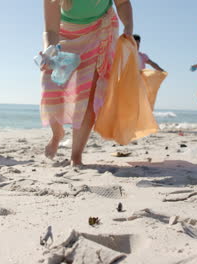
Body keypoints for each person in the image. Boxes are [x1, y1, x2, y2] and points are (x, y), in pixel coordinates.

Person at [40, 0, 133, 166]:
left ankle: (76, 156)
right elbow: (51, 29)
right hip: (64, 34)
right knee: (50, 86)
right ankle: (57, 134)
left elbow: (123, 3)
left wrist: (128, 25)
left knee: (87, 93)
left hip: (99, 30)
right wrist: (49, 50)